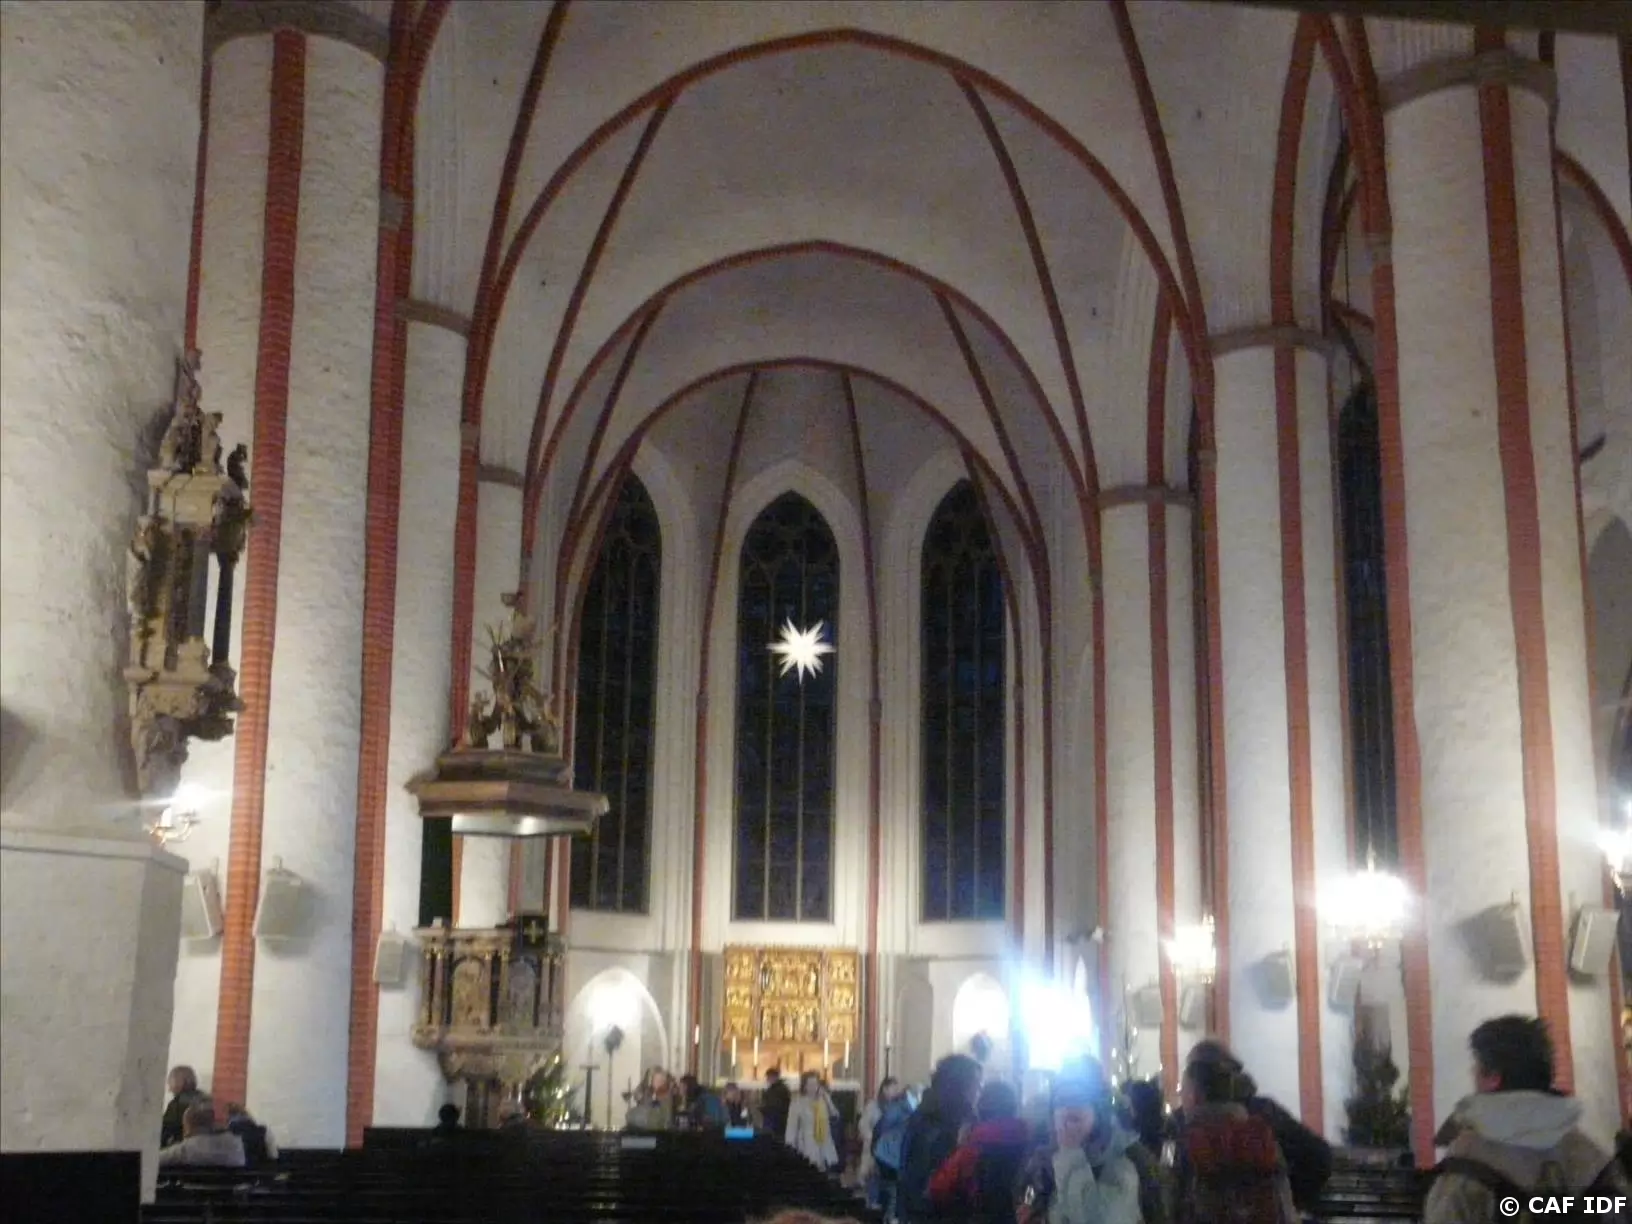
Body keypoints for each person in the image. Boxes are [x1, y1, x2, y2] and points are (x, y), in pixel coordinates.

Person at [1425, 1015, 1629, 1224]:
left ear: (1493, 1077)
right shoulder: (1587, 1153)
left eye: (1476, 1066)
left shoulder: (1467, 1161)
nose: (1472, 1073)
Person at [1175, 1038, 1331, 1213]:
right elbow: (1319, 1158)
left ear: (1195, 1083)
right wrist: (1286, 1198)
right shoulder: (1265, 1113)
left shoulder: (1181, 1124)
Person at [1169, 1058, 1296, 1224]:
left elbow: (1173, 1206)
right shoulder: (1261, 1135)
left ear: (1194, 1096)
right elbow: (1283, 1203)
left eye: (1183, 1090)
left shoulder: (1188, 1142)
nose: (1181, 1097)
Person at [1016, 1062, 1142, 1224]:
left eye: (1078, 1099)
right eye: (1061, 1101)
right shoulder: (1043, 1163)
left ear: (1098, 1111)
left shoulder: (1122, 1165)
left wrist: (1070, 1153)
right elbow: (1030, 1202)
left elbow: (1096, 1218)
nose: (1068, 1110)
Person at [927, 1079, 1032, 1223]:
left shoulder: (972, 1147)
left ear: (981, 1109)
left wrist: (960, 1147)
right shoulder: (1030, 1143)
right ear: (1014, 1107)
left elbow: (938, 1188)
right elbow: (1033, 1189)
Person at [897, 1053, 984, 1223]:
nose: (979, 1090)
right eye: (976, 1084)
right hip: (938, 1212)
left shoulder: (926, 1113)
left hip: (922, 1211)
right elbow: (930, 1179)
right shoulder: (940, 1121)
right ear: (961, 1085)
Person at [158, 1099, 247, 1168]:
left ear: (190, 1127)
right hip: (230, 1187)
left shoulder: (185, 1150)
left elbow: (155, 1160)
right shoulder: (236, 1146)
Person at [787, 1071, 842, 1170]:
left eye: (815, 1084)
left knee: (822, 1169)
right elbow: (791, 1127)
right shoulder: (797, 1103)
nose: (813, 1087)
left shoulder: (822, 1100)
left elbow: (835, 1115)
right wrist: (790, 1146)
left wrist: (827, 1099)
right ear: (804, 1086)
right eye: (810, 1084)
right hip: (806, 1142)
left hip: (823, 1141)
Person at [160, 1065, 202, 1149]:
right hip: (200, 1146)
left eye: (170, 1082)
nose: (169, 1088)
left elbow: (165, 1131)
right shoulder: (203, 1098)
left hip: (182, 1147)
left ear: (177, 1082)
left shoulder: (177, 1104)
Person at [762, 1067, 793, 1140]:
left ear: (774, 1077)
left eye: (769, 1077)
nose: (767, 1079)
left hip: (778, 1121)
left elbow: (778, 1105)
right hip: (773, 1119)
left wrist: (765, 1109)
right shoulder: (772, 1089)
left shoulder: (782, 1089)